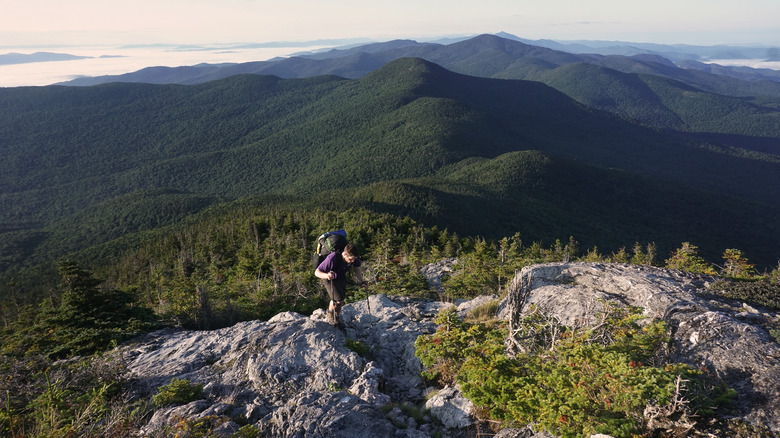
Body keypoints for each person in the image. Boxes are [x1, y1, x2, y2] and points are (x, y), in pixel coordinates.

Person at [314, 243, 366, 325]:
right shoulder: (333, 257)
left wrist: (362, 282)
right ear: (345, 254)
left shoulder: (354, 258)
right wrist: (327, 275)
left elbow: (357, 269)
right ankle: (331, 314)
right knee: (338, 299)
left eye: (354, 259)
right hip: (329, 277)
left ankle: (336, 317)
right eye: (351, 259)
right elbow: (317, 272)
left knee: (341, 299)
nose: (352, 261)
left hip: (340, 275)